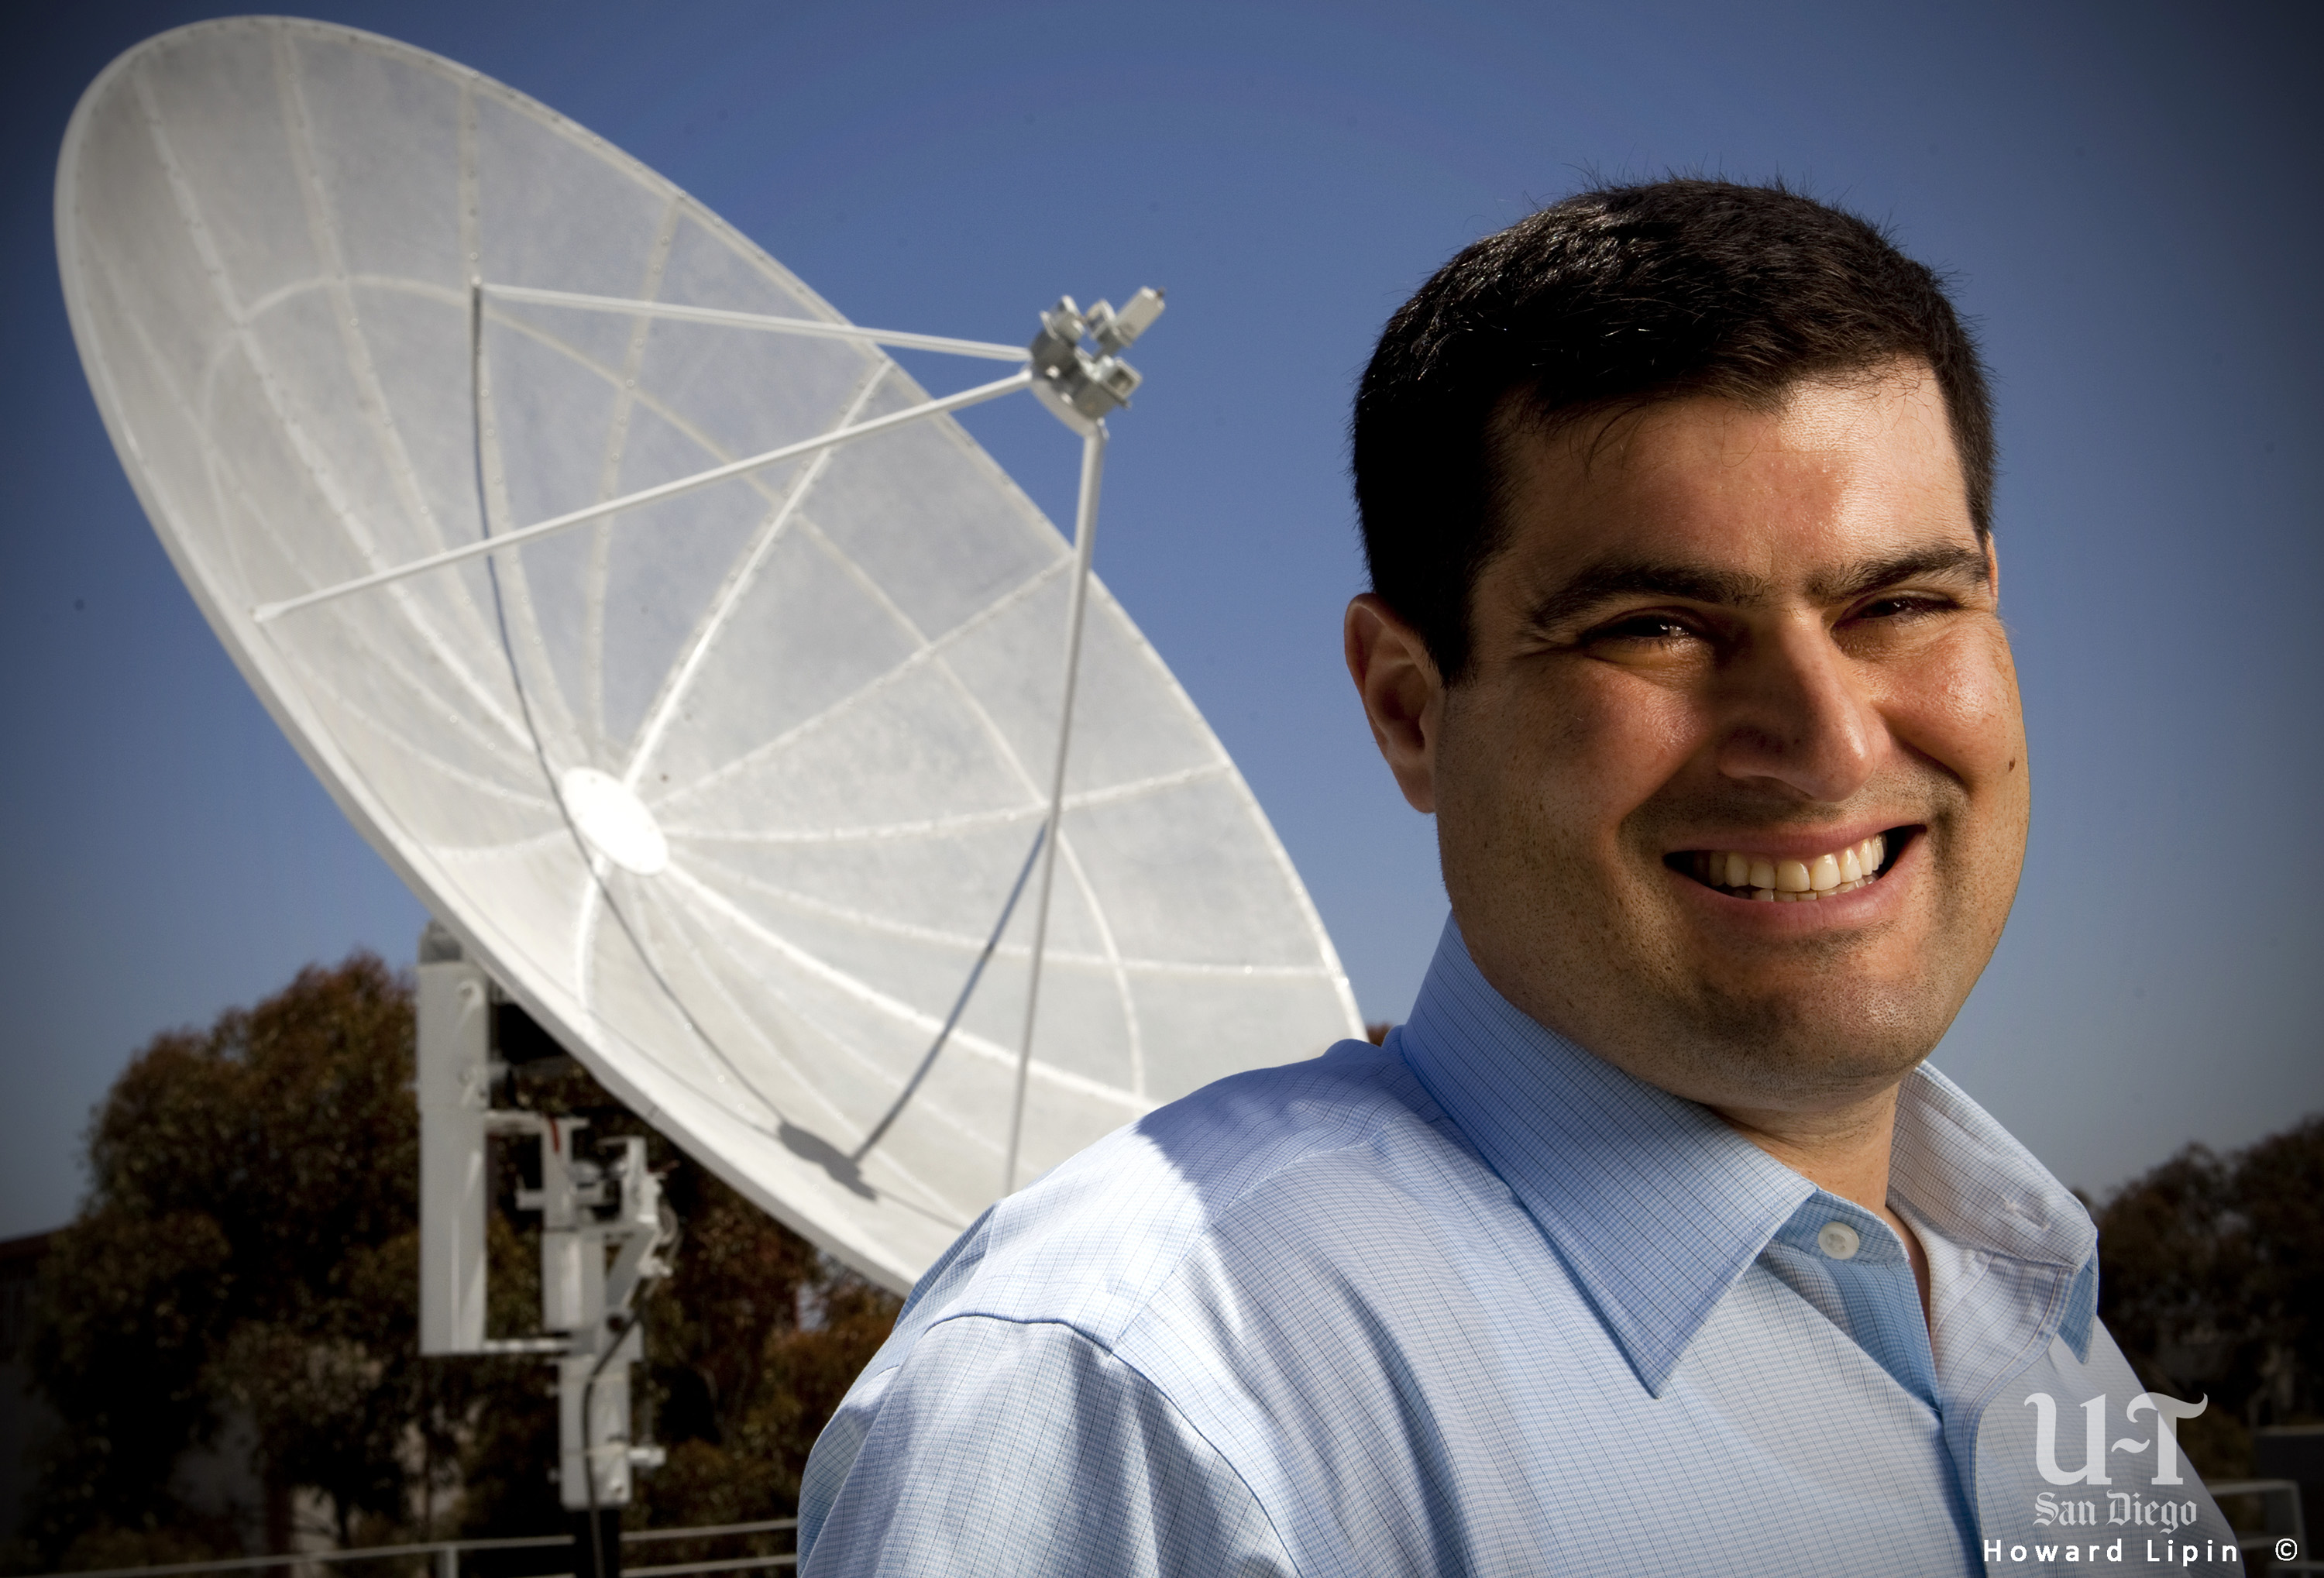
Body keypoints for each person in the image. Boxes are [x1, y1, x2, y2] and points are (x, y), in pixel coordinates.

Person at [794, 180, 2239, 1576]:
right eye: (1657, 626)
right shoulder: (1153, 1405)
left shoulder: (2053, 1336)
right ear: (1411, 708)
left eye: (1903, 601)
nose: (1827, 740)